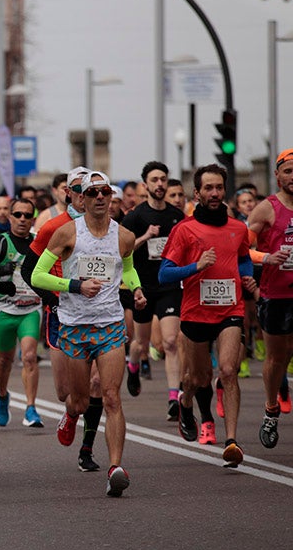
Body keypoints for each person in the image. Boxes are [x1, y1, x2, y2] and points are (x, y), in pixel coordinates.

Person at [31, 171, 146, 497]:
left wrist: (136, 289)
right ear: (81, 196)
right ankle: (70, 415)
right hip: (74, 326)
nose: (98, 197)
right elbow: (39, 276)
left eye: (104, 192)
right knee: (80, 401)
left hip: (110, 326)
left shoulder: (123, 236)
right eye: (92, 192)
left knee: (110, 397)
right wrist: (74, 285)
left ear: (112, 197)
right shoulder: (67, 233)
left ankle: (115, 468)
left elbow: (127, 267)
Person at [158, 164, 252, 465]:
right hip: (196, 313)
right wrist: (195, 267)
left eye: (219, 188)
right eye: (208, 188)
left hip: (230, 310)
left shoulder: (238, 228)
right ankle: (186, 404)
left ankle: (232, 441)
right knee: (197, 379)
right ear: (197, 193)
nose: (214, 193)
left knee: (228, 370)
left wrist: (248, 279)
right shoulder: (184, 229)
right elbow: (164, 275)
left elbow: (244, 259)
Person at [121, 161, 185, 420]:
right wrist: (145, 236)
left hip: (169, 286)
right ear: (145, 185)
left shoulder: (177, 216)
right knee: (141, 343)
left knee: (171, 342)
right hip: (142, 288)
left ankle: (173, 397)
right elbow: (122, 251)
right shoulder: (135, 216)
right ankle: (133, 366)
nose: (160, 184)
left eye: (163, 180)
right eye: (155, 180)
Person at [247, 148, 293, 449]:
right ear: (277, 175)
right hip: (276, 295)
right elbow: (243, 249)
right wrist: (267, 257)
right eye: (288, 171)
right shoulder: (267, 208)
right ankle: (271, 408)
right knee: (278, 358)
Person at [0, 197, 43, 427]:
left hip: (31, 308)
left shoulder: (39, 243)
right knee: (4, 360)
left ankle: (31, 408)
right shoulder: (1, 242)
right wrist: (2, 270)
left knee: (29, 356)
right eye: (17, 214)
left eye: (27, 215)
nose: (22, 219)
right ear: (10, 217)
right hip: (5, 310)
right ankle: (2, 395)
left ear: (33, 219)